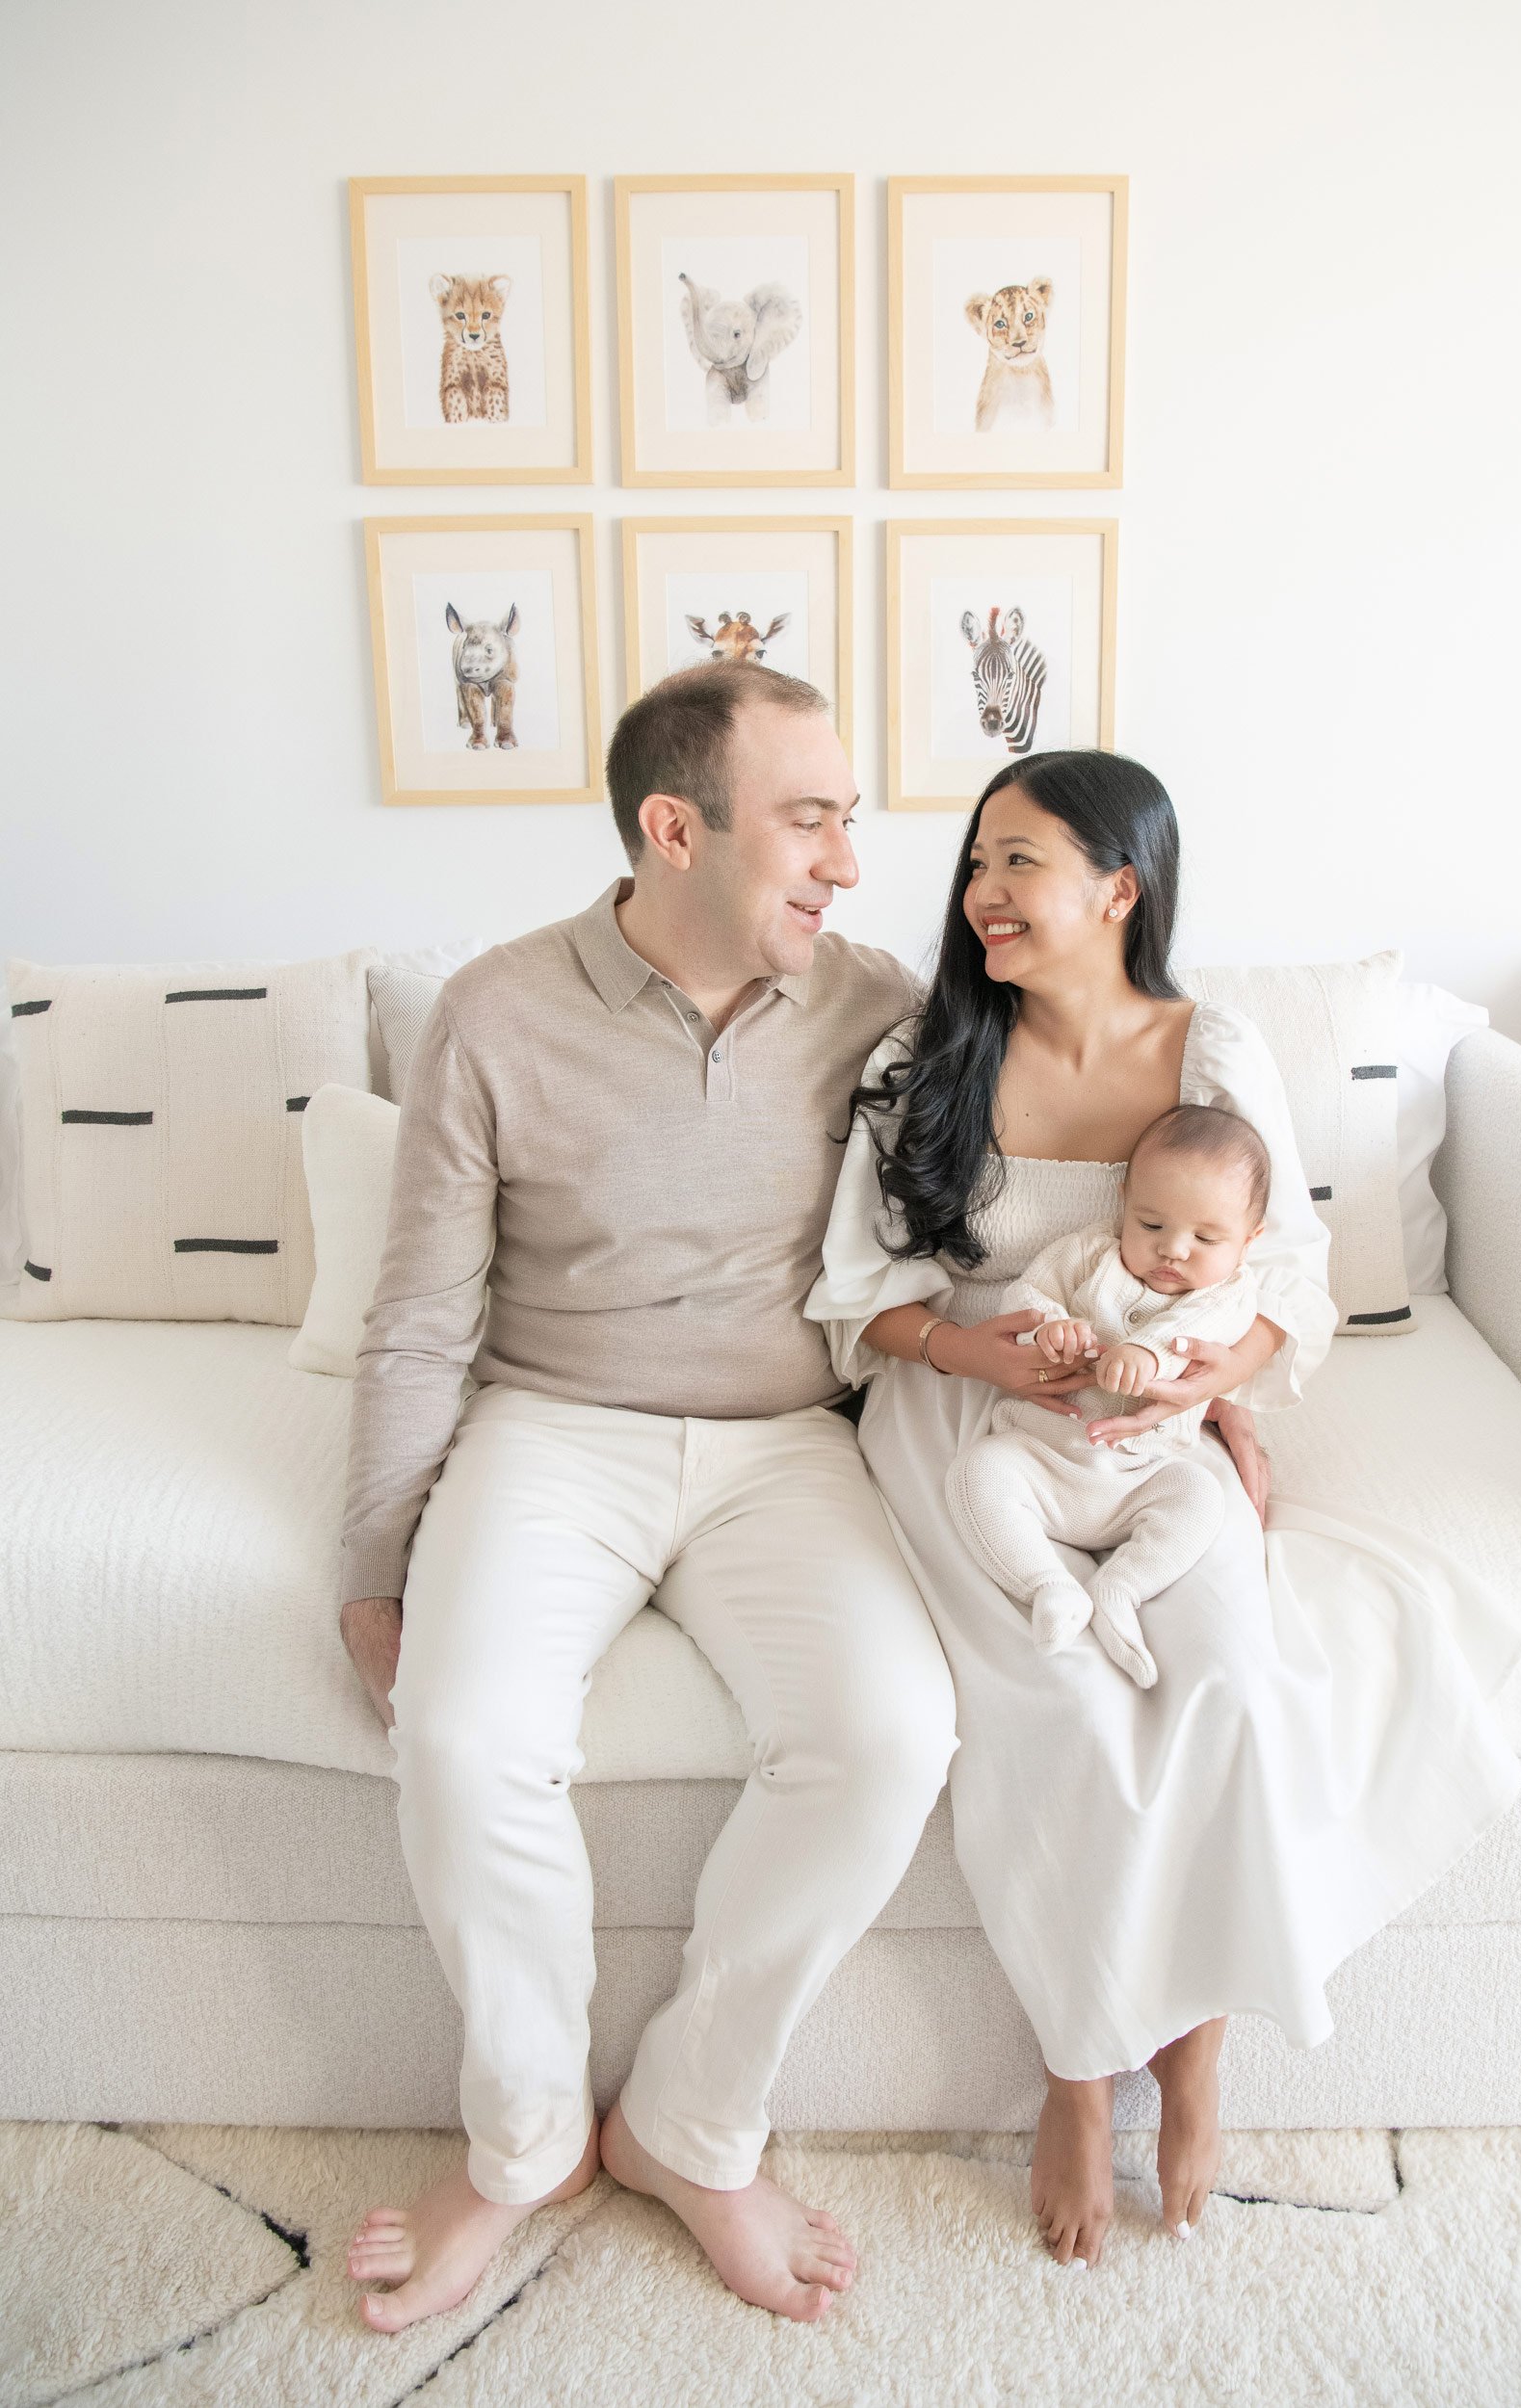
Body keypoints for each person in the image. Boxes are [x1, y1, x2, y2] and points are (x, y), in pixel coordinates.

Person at [806, 748, 1521, 2272]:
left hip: (1150, 1418)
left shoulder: (1212, 1055)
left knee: (1231, 1679)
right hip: (969, 1410)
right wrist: (969, 1346)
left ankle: (1192, 2039)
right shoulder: (919, 1055)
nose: (980, 893)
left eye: (1020, 863)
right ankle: (1078, 2064)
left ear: (1116, 889)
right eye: (976, 863)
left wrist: (1205, 1397)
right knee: (1056, 1696)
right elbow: (858, 1300)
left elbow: (1282, 1287)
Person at [337, 662, 958, 2331]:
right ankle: (526, 2141)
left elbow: (1079, 1131)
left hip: (786, 1443)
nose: (843, 858)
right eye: (807, 817)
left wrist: (1206, 1377)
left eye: (848, 816)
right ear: (673, 829)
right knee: (461, 1739)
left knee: (891, 1733)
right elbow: (418, 1319)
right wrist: (370, 1566)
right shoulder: (493, 1012)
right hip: (554, 1421)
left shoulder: (877, 1006)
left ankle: (689, 2125)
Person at [947, 1103, 1269, 1679]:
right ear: (1124, 1201)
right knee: (976, 1473)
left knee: (1200, 1497)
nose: (1174, 1249)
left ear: (1248, 1241)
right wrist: (1051, 1325)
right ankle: (1047, 1586)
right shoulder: (1087, 1253)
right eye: (1151, 1225)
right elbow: (1029, 1291)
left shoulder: (1232, 1292)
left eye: (1207, 1237)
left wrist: (1148, 1353)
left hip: (1141, 1474)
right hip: (1044, 1455)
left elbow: (1197, 1334)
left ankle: (1123, 1587)